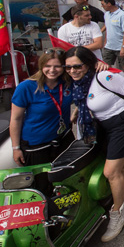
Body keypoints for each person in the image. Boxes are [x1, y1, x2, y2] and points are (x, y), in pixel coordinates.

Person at [64, 47, 124, 242]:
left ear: (88, 64)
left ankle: (118, 213)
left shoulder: (104, 76)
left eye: (77, 66)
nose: (73, 71)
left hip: (123, 122)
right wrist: (77, 112)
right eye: (68, 67)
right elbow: (87, 100)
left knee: (111, 172)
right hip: (105, 125)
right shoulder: (81, 83)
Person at [9, 48, 74, 194]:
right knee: (42, 186)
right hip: (37, 146)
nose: (52, 70)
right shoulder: (26, 87)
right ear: (41, 66)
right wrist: (16, 148)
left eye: (57, 66)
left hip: (63, 139)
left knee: (66, 179)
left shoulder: (67, 82)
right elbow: (16, 119)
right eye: (47, 66)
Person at [99, 0, 124, 83]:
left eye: (103, 4)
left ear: (109, 4)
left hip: (120, 46)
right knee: (106, 66)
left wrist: (123, 47)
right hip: (109, 46)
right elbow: (107, 26)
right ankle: (109, 83)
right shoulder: (106, 14)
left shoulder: (122, 15)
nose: (102, 6)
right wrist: (103, 38)